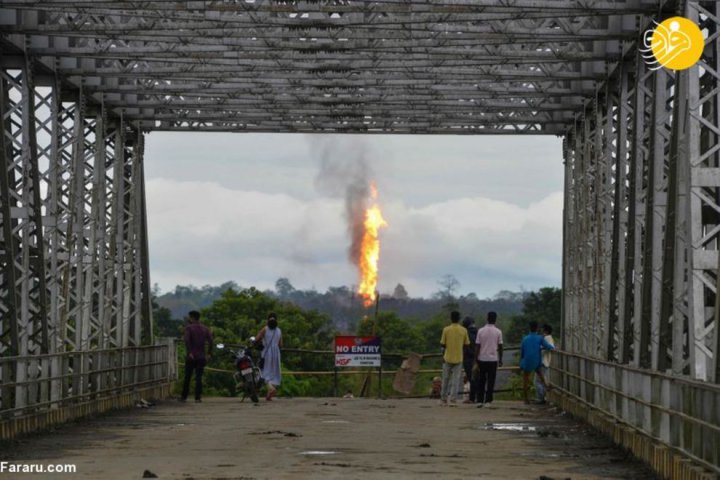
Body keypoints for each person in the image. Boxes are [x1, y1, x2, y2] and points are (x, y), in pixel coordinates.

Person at [519, 321, 555, 404]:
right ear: (537, 328)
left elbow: (522, 352)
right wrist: (552, 347)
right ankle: (547, 386)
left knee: (525, 380)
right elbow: (548, 347)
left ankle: (526, 399)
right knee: (541, 376)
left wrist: (521, 363)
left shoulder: (525, 339)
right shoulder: (540, 338)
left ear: (530, 328)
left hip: (527, 361)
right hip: (536, 361)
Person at [181, 310, 213, 403]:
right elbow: (211, 341)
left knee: (188, 376)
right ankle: (198, 397)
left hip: (191, 356)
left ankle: (184, 396)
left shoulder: (189, 328)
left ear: (192, 318)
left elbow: (187, 340)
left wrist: (190, 352)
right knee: (199, 377)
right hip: (201, 356)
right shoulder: (205, 329)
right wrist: (209, 353)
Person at [439, 310, 470, 405]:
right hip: (459, 357)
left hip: (447, 357)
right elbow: (467, 344)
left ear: (451, 318)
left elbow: (443, 344)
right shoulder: (464, 330)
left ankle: (443, 399)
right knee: (455, 380)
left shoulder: (446, 329)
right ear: (459, 319)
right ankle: (453, 399)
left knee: (445, 379)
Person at [474, 311, 503, 407]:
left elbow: (477, 346)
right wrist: (501, 359)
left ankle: (479, 400)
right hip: (493, 359)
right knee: (491, 380)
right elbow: (500, 346)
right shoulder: (498, 331)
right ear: (495, 319)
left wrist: (475, 360)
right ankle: (488, 401)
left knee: (481, 380)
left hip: (482, 358)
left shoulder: (480, 331)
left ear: (487, 318)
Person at [255, 312, 283, 401]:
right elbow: (281, 344)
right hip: (276, 353)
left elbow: (256, 339)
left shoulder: (265, 329)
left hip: (266, 353)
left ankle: (271, 388)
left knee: (264, 372)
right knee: (274, 372)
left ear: (268, 320)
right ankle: (269, 395)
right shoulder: (279, 331)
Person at [535, 324, 555, 404]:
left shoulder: (547, 338)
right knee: (542, 380)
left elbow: (550, 347)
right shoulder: (548, 338)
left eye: (542, 330)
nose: (541, 331)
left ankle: (541, 398)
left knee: (538, 381)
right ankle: (542, 397)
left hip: (543, 362)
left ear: (545, 331)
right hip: (544, 362)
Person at [461, 317, 479, 404]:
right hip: (479, 357)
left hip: (468, 357)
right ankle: (479, 397)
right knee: (478, 377)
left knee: (471, 378)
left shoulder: (465, 333)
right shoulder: (479, 332)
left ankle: (472, 398)